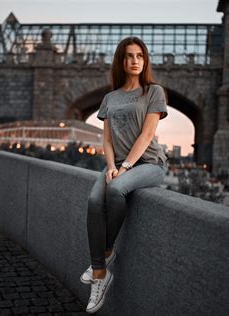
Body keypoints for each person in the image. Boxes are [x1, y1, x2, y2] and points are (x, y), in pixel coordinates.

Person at [81, 36, 168, 314]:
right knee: (95, 200)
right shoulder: (109, 99)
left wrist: (126, 167)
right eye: (129, 56)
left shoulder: (154, 92)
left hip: (149, 164)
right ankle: (102, 270)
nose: (135, 61)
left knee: (116, 190)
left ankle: (102, 261)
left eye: (140, 56)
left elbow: (148, 134)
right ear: (121, 60)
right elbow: (106, 139)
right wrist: (111, 166)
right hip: (118, 164)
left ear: (145, 60)